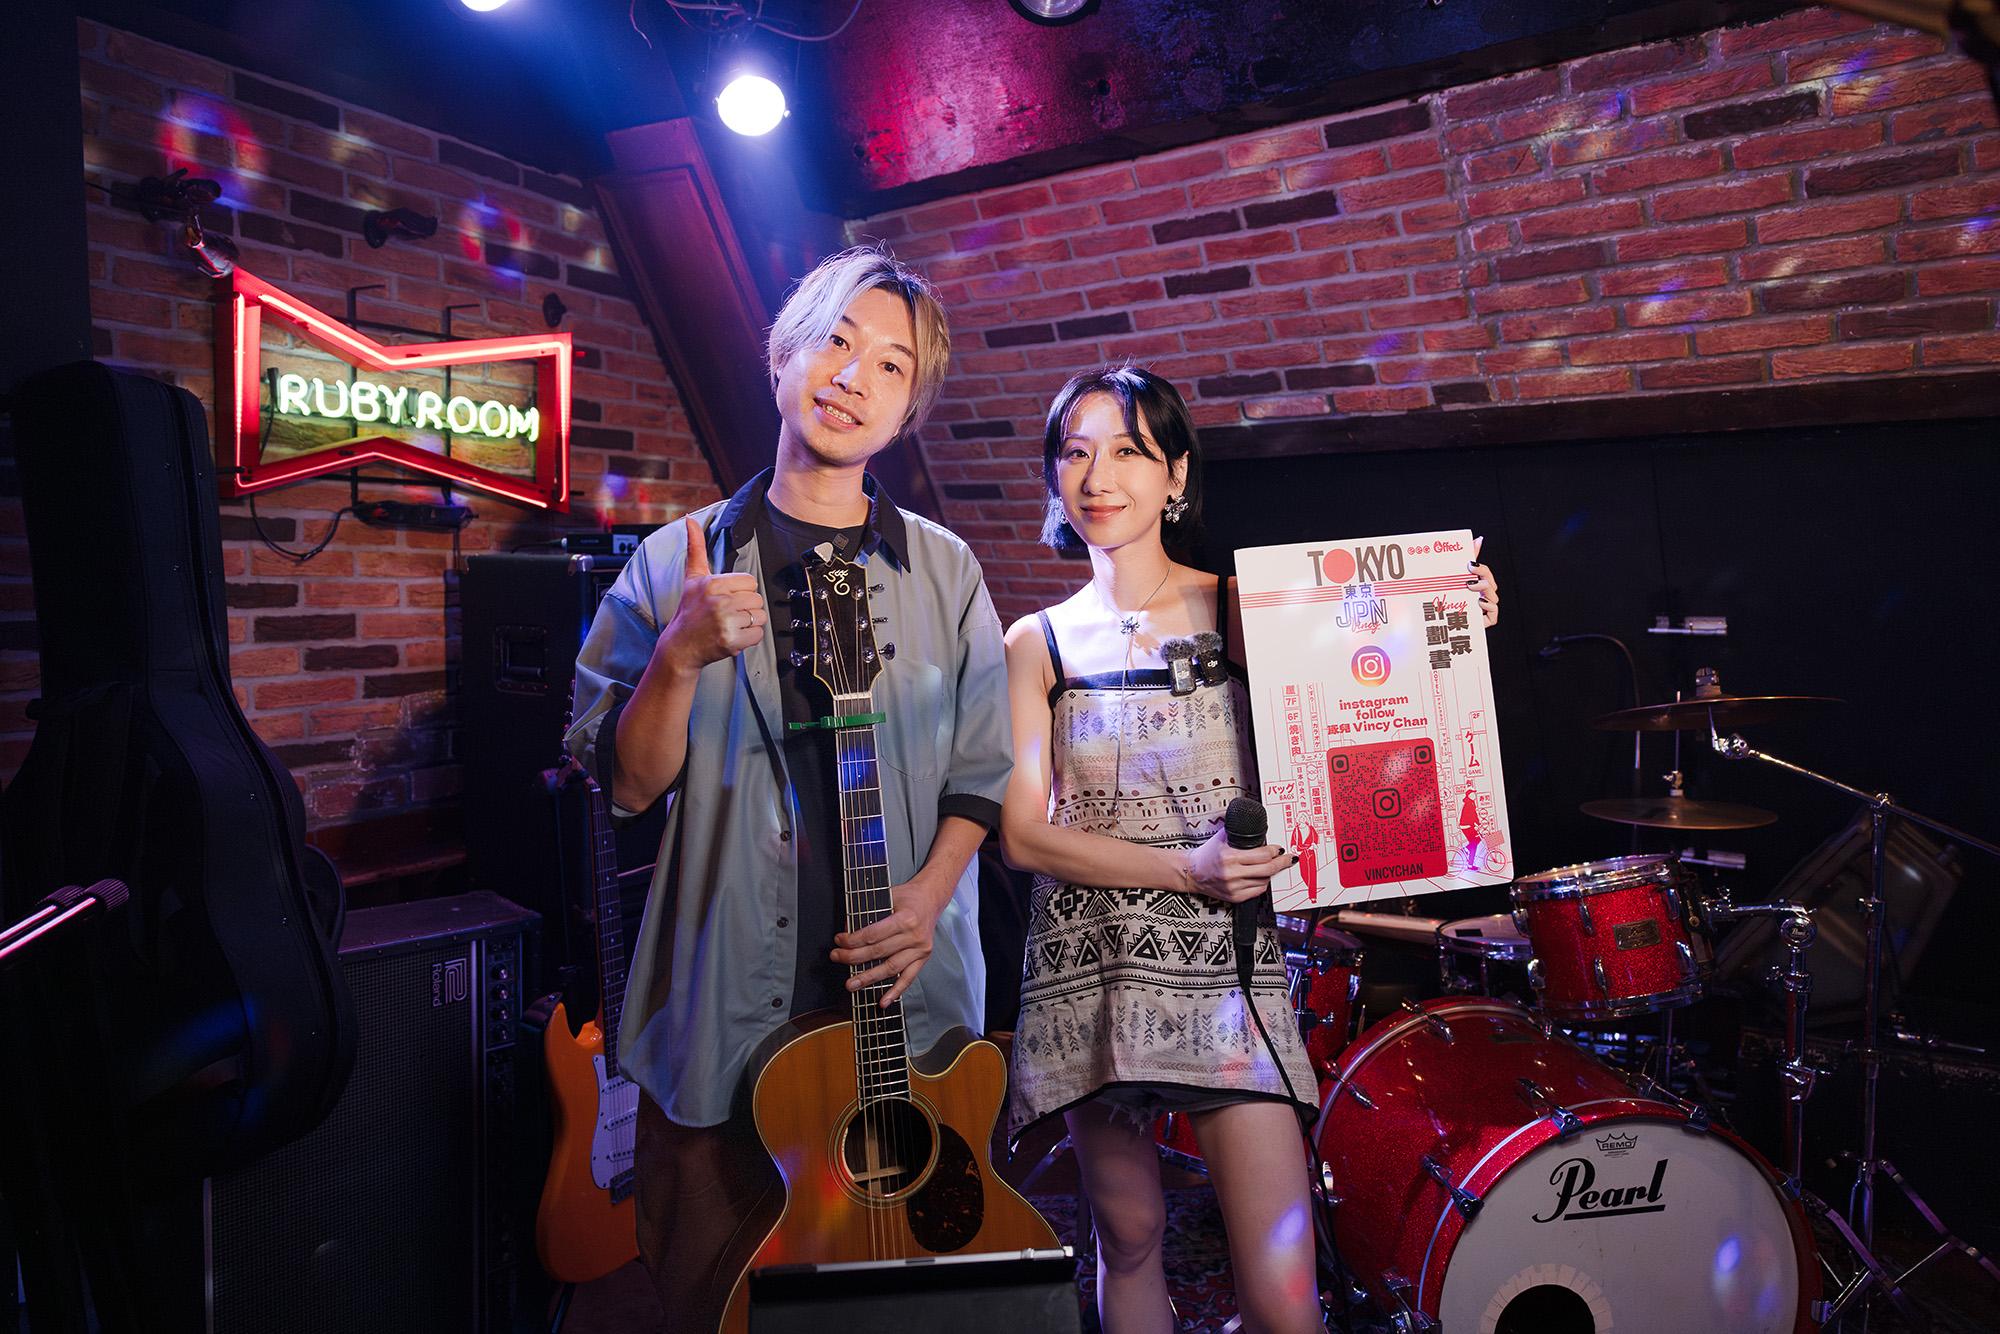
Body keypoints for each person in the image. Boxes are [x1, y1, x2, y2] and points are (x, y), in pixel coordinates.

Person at [565, 246, 1011, 1331]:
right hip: (721, 1009)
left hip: (905, 1012)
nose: (854, 377)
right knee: (716, 1295)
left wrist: (927, 899)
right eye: (835, 342)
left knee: (911, 1301)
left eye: (892, 365)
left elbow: (982, 772)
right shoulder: (671, 562)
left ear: (908, 409)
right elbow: (626, 785)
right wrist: (677, 654)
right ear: (781, 358)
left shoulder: (946, 570)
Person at [999, 366, 1498, 1334]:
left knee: (1281, 1293)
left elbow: (1379, 692)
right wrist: (1180, 867)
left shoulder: (1247, 607)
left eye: (1129, 451)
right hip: (1088, 966)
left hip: (1226, 967)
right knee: (1128, 1236)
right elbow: (1023, 833)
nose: (1098, 476)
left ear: (1175, 474)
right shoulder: (1036, 640)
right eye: (1075, 452)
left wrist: (1448, 615)